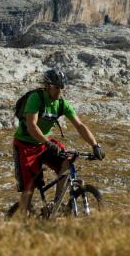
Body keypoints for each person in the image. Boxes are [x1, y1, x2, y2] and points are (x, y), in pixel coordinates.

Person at [13, 69, 105, 215]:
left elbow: (80, 126)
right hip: (25, 145)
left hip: (44, 143)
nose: (60, 91)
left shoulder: (62, 104)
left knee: (67, 161)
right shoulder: (36, 98)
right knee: (28, 188)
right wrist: (47, 142)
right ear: (48, 86)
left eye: (62, 88)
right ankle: (24, 224)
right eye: (57, 87)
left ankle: (57, 205)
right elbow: (31, 126)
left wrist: (95, 145)